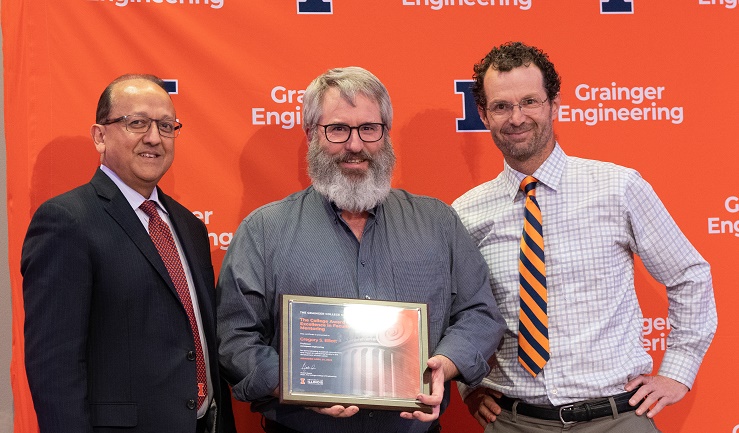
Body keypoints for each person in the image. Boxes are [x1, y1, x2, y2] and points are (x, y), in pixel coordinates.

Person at [217, 66, 506, 433]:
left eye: (369, 128)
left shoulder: (438, 222)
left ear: (385, 134)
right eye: (338, 129)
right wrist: (295, 385)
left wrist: (445, 365)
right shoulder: (263, 231)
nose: (355, 145)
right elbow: (234, 337)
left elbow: (480, 313)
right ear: (310, 135)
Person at [453, 41, 717, 432]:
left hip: (617, 419)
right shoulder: (465, 212)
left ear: (554, 105)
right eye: (501, 106)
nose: (517, 117)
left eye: (530, 101)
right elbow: (456, 311)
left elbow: (689, 276)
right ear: (483, 114)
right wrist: (467, 384)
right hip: (514, 422)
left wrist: (677, 372)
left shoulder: (618, 187)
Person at [22, 74, 234, 433]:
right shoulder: (66, 221)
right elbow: (54, 368)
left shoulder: (189, 227)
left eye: (166, 126)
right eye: (136, 123)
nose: (154, 137)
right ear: (100, 136)